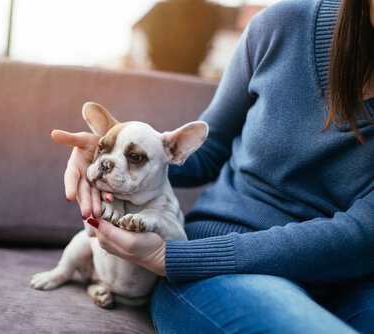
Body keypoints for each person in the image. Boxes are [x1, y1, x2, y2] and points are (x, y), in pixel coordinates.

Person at [51, 0, 374, 332]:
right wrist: (105, 156)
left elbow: (361, 235)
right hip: (222, 268)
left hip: (349, 282)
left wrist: (173, 258)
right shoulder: (282, 25)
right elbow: (208, 150)